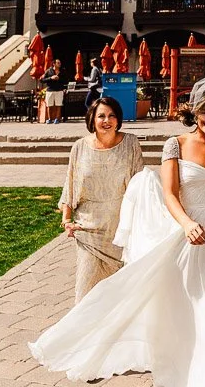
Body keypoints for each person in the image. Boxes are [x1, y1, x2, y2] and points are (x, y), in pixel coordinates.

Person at [30, 79, 205, 387]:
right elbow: (169, 193)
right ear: (193, 110)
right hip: (189, 241)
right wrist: (185, 223)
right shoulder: (176, 145)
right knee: (192, 327)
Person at [59, 97, 145, 301]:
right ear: (92, 119)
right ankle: (82, 332)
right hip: (88, 229)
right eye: (101, 116)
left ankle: (114, 333)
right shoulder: (79, 147)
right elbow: (70, 185)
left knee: (118, 294)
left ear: (118, 119)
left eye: (112, 115)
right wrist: (66, 220)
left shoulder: (131, 143)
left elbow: (139, 185)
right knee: (85, 292)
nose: (107, 120)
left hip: (121, 229)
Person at [42, 57, 68, 124]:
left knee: (58, 105)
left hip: (59, 90)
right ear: (54, 64)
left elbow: (66, 80)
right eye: (58, 63)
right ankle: (49, 118)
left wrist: (59, 78)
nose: (60, 64)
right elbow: (42, 80)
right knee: (49, 105)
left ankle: (57, 119)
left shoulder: (62, 71)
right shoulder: (48, 71)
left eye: (60, 63)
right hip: (50, 90)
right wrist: (51, 78)